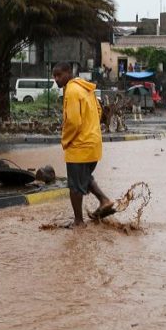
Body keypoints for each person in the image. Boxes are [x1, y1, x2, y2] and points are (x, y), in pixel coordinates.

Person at [52, 62, 113, 227]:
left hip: (79, 146)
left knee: (74, 186)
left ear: (68, 73)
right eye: (54, 77)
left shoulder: (71, 90)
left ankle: (78, 221)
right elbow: (99, 111)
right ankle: (104, 200)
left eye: (59, 75)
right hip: (93, 144)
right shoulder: (86, 88)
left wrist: (65, 140)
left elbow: (73, 121)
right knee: (84, 178)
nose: (56, 80)